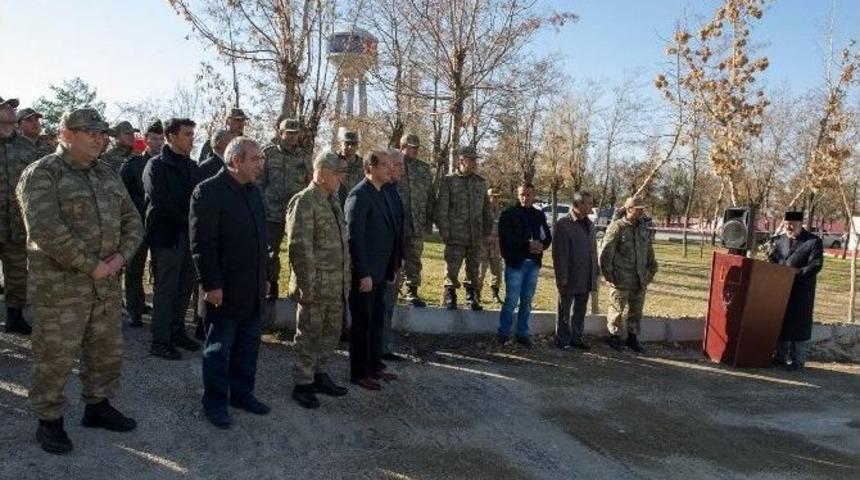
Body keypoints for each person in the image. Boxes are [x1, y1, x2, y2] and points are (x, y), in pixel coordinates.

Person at [17, 108, 143, 454]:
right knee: (54, 355)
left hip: (104, 287)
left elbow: (133, 220)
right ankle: (49, 420)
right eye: (92, 132)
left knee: (105, 351)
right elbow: (45, 230)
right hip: (60, 290)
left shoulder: (107, 175)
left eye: (103, 133)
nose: (100, 138)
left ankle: (98, 406)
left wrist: (119, 259)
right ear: (67, 133)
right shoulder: (42, 174)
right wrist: (92, 266)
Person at [190, 137, 271, 428]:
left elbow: (261, 241)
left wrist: (265, 278)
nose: (260, 165)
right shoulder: (208, 191)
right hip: (222, 290)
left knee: (248, 347)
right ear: (235, 160)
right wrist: (211, 284)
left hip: (251, 287)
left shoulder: (252, 192)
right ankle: (214, 403)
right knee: (219, 350)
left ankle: (242, 394)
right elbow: (203, 244)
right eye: (255, 159)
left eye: (260, 159)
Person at [286, 151, 351, 409]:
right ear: (322, 173)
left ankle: (319, 373)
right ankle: (302, 383)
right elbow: (299, 248)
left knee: (330, 333)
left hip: (336, 284)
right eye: (337, 173)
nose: (340, 178)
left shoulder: (333, 200)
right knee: (309, 334)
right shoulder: (304, 201)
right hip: (314, 284)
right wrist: (306, 285)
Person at [143, 118, 202, 359]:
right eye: (187, 134)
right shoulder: (156, 166)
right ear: (171, 137)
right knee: (166, 289)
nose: (191, 138)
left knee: (184, 287)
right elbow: (161, 202)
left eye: (192, 134)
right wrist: (188, 221)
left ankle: (176, 331)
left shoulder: (192, 167)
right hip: (167, 236)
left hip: (189, 236)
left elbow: (199, 200)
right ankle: (160, 340)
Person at [345, 150, 401, 390]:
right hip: (366, 275)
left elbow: (391, 233)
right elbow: (354, 239)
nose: (391, 168)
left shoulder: (383, 193)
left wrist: (393, 265)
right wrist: (363, 273)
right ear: (371, 168)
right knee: (362, 324)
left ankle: (374, 365)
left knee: (377, 321)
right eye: (386, 165)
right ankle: (359, 372)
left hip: (381, 272)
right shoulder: (359, 195)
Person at [258, 118, 312, 301]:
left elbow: (309, 183)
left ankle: (295, 292)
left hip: (295, 214)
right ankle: (270, 289)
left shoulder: (304, 157)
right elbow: (259, 183)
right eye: (288, 133)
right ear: (280, 133)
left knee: (297, 252)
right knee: (269, 253)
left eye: (295, 133)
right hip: (271, 212)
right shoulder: (268, 154)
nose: (292, 136)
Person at [433, 145, 493, 310]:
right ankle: (449, 295)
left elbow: (486, 210)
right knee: (452, 268)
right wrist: (445, 233)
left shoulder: (480, 183)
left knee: (474, 268)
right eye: (471, 159)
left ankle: (471, 296)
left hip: (475, 235)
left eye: (475, 160)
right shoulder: (449, 181)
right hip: (455, 235)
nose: (474, 163)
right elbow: (441, 210)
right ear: (461, 160)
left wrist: (487, 231)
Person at [598, 196, 658, 353]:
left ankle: (632, 337)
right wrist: (609, 276)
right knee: (616, 309)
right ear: (629, 209)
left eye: (642, 209)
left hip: (639, 278)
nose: (642, 211)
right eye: (639, 209)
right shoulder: (617, 227)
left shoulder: (643, 228)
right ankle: (615, 336)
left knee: (636, 311)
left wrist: (651, 269)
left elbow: (649, 251)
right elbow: (606, 254)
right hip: (621, 278)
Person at [119, 119, 163, 327]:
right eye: (154, 138)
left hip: (161, 226)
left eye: (162, 139)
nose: (158, 143)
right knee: (135, 269)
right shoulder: (133, 164)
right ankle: (134, 310)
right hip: (137, 224)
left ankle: (160, 309)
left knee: (161, 269)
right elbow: (120, 195)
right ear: (145, 140)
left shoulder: (167, 164)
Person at [496, 183, 551, 347]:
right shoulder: (508, 214)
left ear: (533, 196)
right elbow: (506, 239)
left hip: (533, 264)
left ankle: (522, 332)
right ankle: (503, 332)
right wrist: (527, 245)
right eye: (522, 194)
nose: (525, 198)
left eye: (528, 194)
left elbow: (547, 236)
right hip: (516, 263)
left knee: (527, 300)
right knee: (511, 300)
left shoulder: (538, 215)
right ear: (517, 195)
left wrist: (542, 245)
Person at [768, 211, 824, 371]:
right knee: (782, 321)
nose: (789, 227)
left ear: (801, 224)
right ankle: (779, 357)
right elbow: (774, 259)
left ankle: (798, 361)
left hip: (801, 290)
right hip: (781, 289)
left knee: (798, 326)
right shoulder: (779, 240)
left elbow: (816, 264)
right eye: (786, 225)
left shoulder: (813, 241)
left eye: (792, 225)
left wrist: (798, 273)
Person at [0, 96, 34, 335]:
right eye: (4, 106)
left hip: (16, 223)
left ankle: (15, 317)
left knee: (17, 272)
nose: (11, 109)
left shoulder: (26, 147)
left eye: (12, 106)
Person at [552, 191, 598, 350]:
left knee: (580, 310)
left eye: (591, 203)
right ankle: (562, 339)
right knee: (564, 309)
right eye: (588, 203)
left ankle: (576, 338)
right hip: (569, 276)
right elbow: (559, 254)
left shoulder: (589, 224)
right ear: (577, 204)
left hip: (585, 275)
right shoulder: (564, 224)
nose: (591, 206)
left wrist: (595, 272)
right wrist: (561, 278)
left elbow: (592, 251)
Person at [397, 133, 434, 307]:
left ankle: (412, 291)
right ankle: (393, 290)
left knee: (414, 258)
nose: (416, 150)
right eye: (412, 147)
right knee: (394, 257)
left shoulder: (424, 169)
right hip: (397, 222)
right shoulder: (393, 164)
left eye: (417, 147)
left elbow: (430, 196)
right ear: (402, 146)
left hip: (416, 222)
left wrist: (428, 219)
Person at [382, 148, 406, 362]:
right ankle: (377, 352)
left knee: (388, 306)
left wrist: (400, 259)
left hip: (393, 261)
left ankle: (383, 348)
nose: (402, 170)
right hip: (380, 264)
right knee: (380, 308)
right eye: (398, 165)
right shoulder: (379, 192)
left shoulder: (394, 191)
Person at [479, 188, 504, 304]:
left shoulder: (501, 213)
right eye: (492, 197)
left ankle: (495, 294)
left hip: (496, 247)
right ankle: (476, 293)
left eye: (497, 197)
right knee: (480, 272)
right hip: (483, 246)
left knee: (497, 272)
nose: (495, 199)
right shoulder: (482, 211)